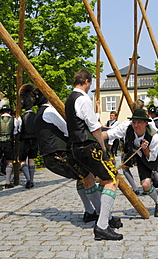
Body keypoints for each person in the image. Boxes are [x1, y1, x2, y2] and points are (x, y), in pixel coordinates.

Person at [19, 83, 105, 225]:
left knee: (82, 178)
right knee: (89, 177)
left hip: (53, 157)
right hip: (59, 155)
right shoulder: (50, 112)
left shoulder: (40, 113)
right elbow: (68, 130)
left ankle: (89, 212)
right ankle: (103, 215)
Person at [65, 69, 123, 241]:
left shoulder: (69, 99)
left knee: (89, 179)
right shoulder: (83, 99)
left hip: (75, 147)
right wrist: (103, 147)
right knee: (112, 180)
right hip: (88, 146)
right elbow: (95, 127)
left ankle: (101, 216)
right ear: (87, 81)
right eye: (90, 83)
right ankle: (102, 225)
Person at [104, 108, 158, 217]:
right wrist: (96, 138)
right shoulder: (128, 127)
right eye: (134, 122)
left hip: (157, 157)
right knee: (145, 185)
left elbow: (151, 157)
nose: (136, 126)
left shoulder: (153, 136)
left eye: (139, 123)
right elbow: (110, 133)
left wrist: (145, 149)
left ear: (146, 123)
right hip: (141, 157)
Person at [19, 94, 38, 189]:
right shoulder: (36, 116)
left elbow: (17, 129)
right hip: (34, 139)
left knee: (22, 160)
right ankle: (32, 179)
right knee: (31, 159)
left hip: (24, 139)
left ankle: (28, 180)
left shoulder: (21, 118)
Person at [0, 104, 19, 188]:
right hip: (9, 142)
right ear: (10, 111)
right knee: (9, 161)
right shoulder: (14, 120)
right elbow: (15, 132)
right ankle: (7, 182)